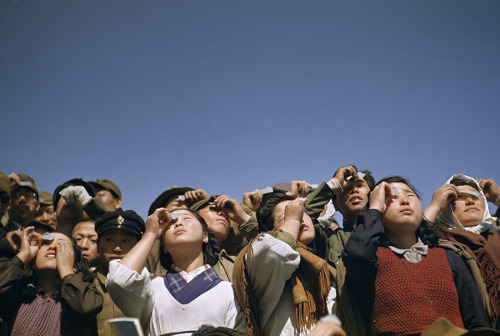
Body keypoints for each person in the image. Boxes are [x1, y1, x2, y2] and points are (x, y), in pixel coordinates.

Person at [337, 176, 490, 336]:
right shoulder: (373, 257)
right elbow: (357, 255)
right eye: (392, 197)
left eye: (410, 195)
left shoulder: (450, 256)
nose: (405, 201)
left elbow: (476, 321)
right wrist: (374, 207)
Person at [106, 207, 246, 336]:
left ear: (205, 236)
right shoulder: (150, 286)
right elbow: (119, 279)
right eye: (171, 222)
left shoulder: (229, 290)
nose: (179, 223)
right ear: (164, 246)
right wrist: (151, 233)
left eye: (187, 218)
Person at [233, 193, 340, 336]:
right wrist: (293, 219)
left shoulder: (323, 266)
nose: (300, 218)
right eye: (286, 216)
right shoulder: (258, 252)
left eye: (303, 212)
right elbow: (274, 251)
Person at [425, 174, 500, 329]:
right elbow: (412, 236)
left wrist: (498, 196)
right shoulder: (438, 243)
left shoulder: (497, 233)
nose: (470, 201)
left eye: (474, 195)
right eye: (458, 198)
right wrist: (435, 206)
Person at [0, 227, 103, 336]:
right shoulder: (17, 292)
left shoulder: (86, 292)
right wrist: (23, 255)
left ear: (76, 265)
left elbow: (85, 307)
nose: (53, 246)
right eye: (45, 243)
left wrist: (66, 270)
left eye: (62, 246)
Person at [306, 165, 375, 267]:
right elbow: (302, 215)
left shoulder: (391, 232)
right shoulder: (330, 239)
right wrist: (334, 185)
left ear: (374, 195)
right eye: (346, 188)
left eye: (360, 185)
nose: (354, 190)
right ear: (336, 204)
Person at [92, 210, 145, 336]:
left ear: (139, 246)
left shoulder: (151, 286)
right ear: (98, 245)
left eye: (126, 241)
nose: (117, 248)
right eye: (109, 240)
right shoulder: (84, 285)